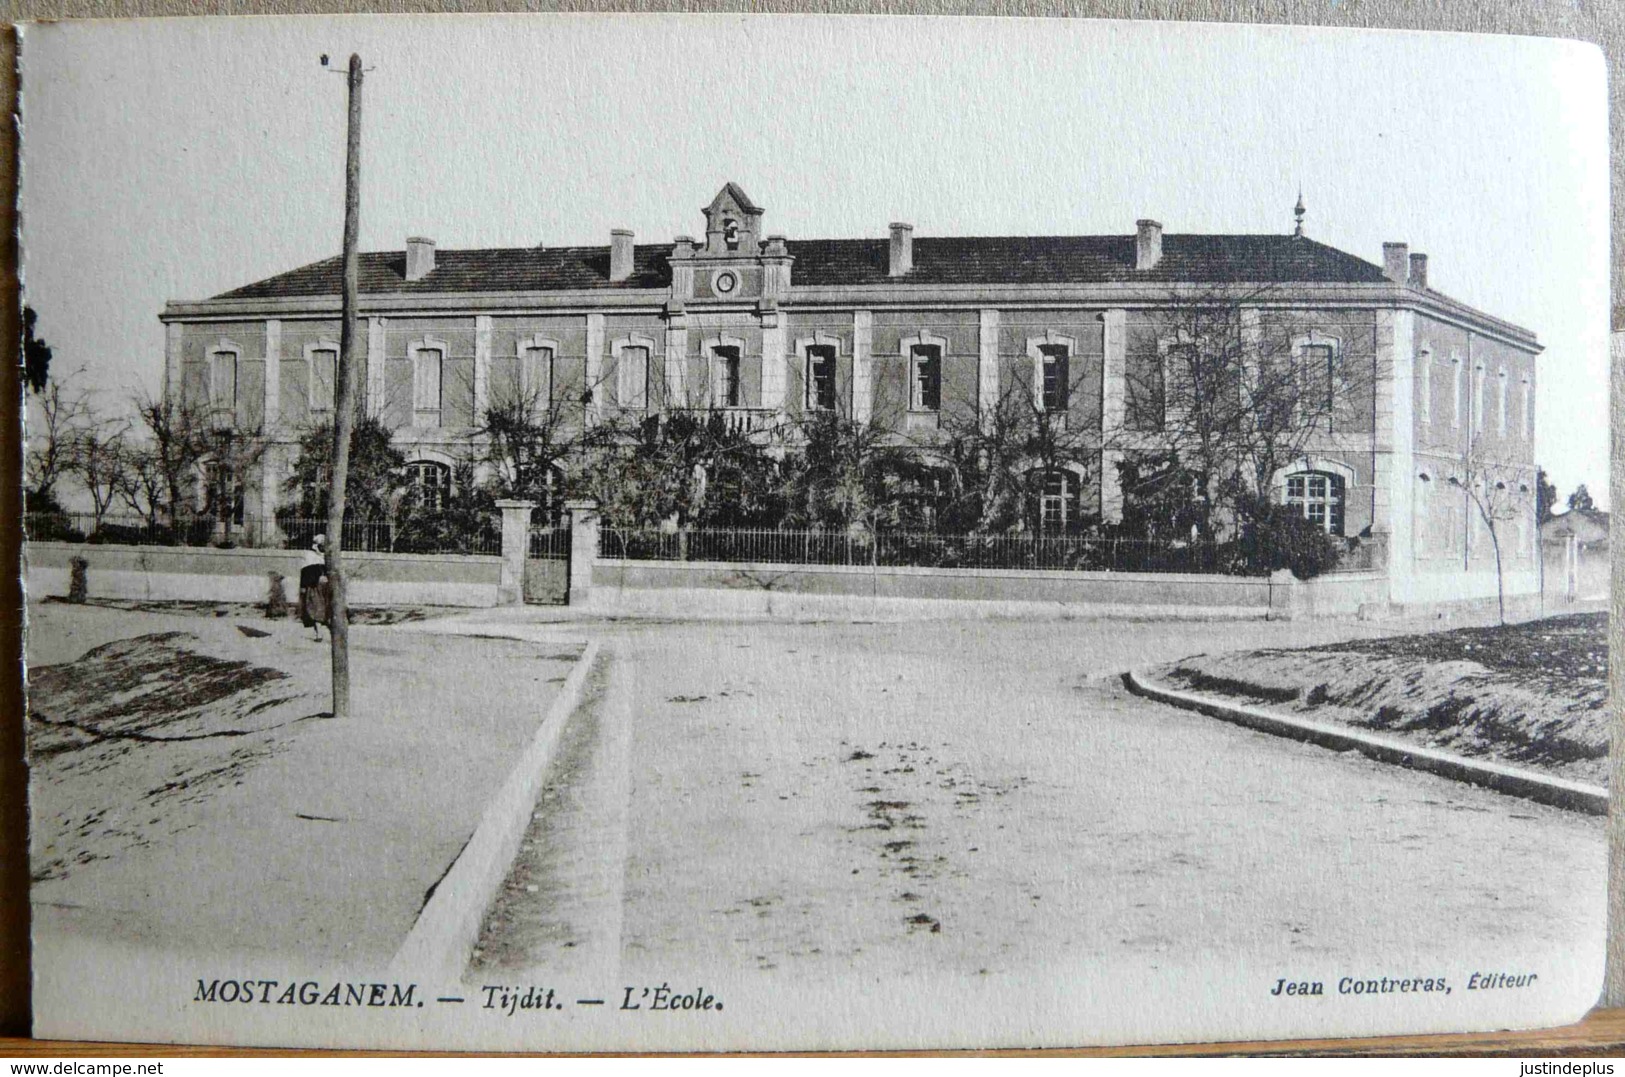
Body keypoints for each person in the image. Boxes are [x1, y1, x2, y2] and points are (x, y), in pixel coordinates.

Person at [298, 534, 332, 641]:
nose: (323, 547)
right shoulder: (309, 555)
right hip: (314, 586)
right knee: (316, 608)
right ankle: (319, 633)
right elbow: (306, 572)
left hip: (326, 587)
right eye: (321, 545)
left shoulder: (327, 555)